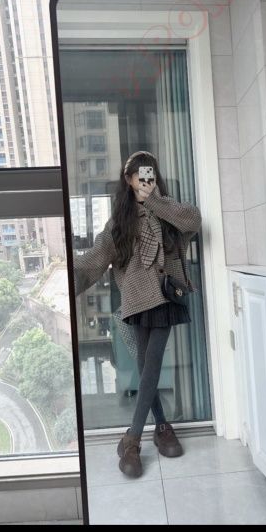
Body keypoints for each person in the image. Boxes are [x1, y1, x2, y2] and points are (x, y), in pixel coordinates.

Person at [73, 150, 202, 479]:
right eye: (140, 174)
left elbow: (194, 221)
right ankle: (162, 427)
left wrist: (155, 201)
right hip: (137, 298)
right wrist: (69, 279)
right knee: (147, 369)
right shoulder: (120, 222)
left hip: (166, 295)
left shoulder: (168, 210)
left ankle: (131, 439)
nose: (146, 179)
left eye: (150, 174)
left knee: (152, 363)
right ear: (128, 179)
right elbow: (96, 258)